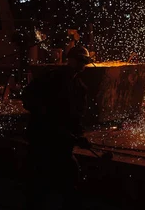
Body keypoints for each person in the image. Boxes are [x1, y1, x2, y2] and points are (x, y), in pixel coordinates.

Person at [22, 45, 94, 210]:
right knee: (40, 180)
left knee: (69, 175)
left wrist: (80, 135)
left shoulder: (79, 87)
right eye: (81, 61)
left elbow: (76, 116)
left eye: (85, 62)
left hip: (61, 140)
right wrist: (43, 114)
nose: (83, 65)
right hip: (43, 138)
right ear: (71, 60)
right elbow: (28, 96)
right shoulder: (52, 77)